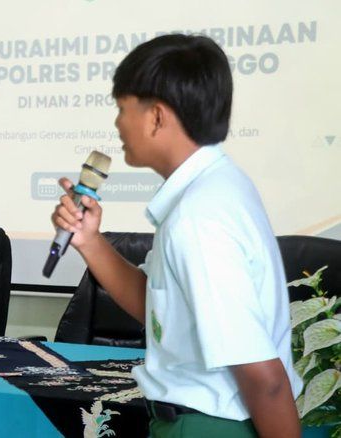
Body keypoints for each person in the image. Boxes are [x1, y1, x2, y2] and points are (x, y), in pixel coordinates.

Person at [51, 34, 302, 437]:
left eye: (122, 109)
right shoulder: (215, 186)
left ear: (156, 117)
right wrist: (89, 240)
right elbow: (155, 305)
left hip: (209, 427)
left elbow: (264, 379)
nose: (117, 123)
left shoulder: (198, 219)